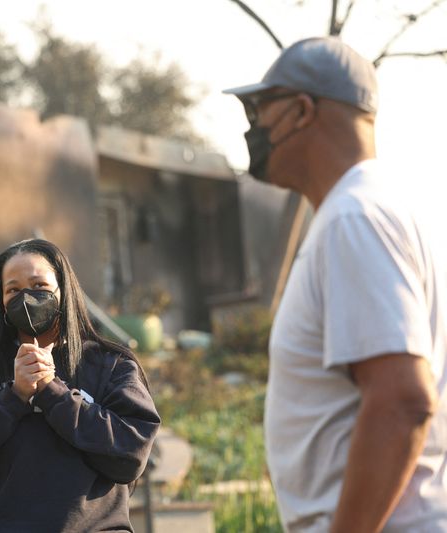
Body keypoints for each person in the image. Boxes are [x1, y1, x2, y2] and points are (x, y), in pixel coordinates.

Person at [224, 36, 447, 532]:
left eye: (261, 108)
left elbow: (401, 400)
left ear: (302, 111)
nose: (253, 127)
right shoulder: (378, 209)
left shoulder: (355, 218)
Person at [0, 238, 160, 532]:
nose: (27, 298)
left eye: (39, 286)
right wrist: (13, 397)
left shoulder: (111, 365)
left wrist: (53, 392)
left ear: (64, 291)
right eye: (13, 290)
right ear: (1, 303)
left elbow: (130, 453)